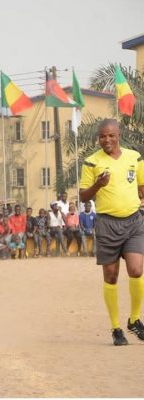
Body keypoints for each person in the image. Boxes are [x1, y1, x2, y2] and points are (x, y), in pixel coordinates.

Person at [80, 118, 144, 346]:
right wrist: (98, 185)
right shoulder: (91, 162)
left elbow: (141, 185)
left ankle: (135, 319)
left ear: (119, 135)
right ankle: (116, 327)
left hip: (134, 222)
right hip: (107, 223)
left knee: (136, 269)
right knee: (111, 276)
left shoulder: (134, 157)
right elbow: (83, 196)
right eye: (102, 136)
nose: (106, 140)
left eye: (111, 135)